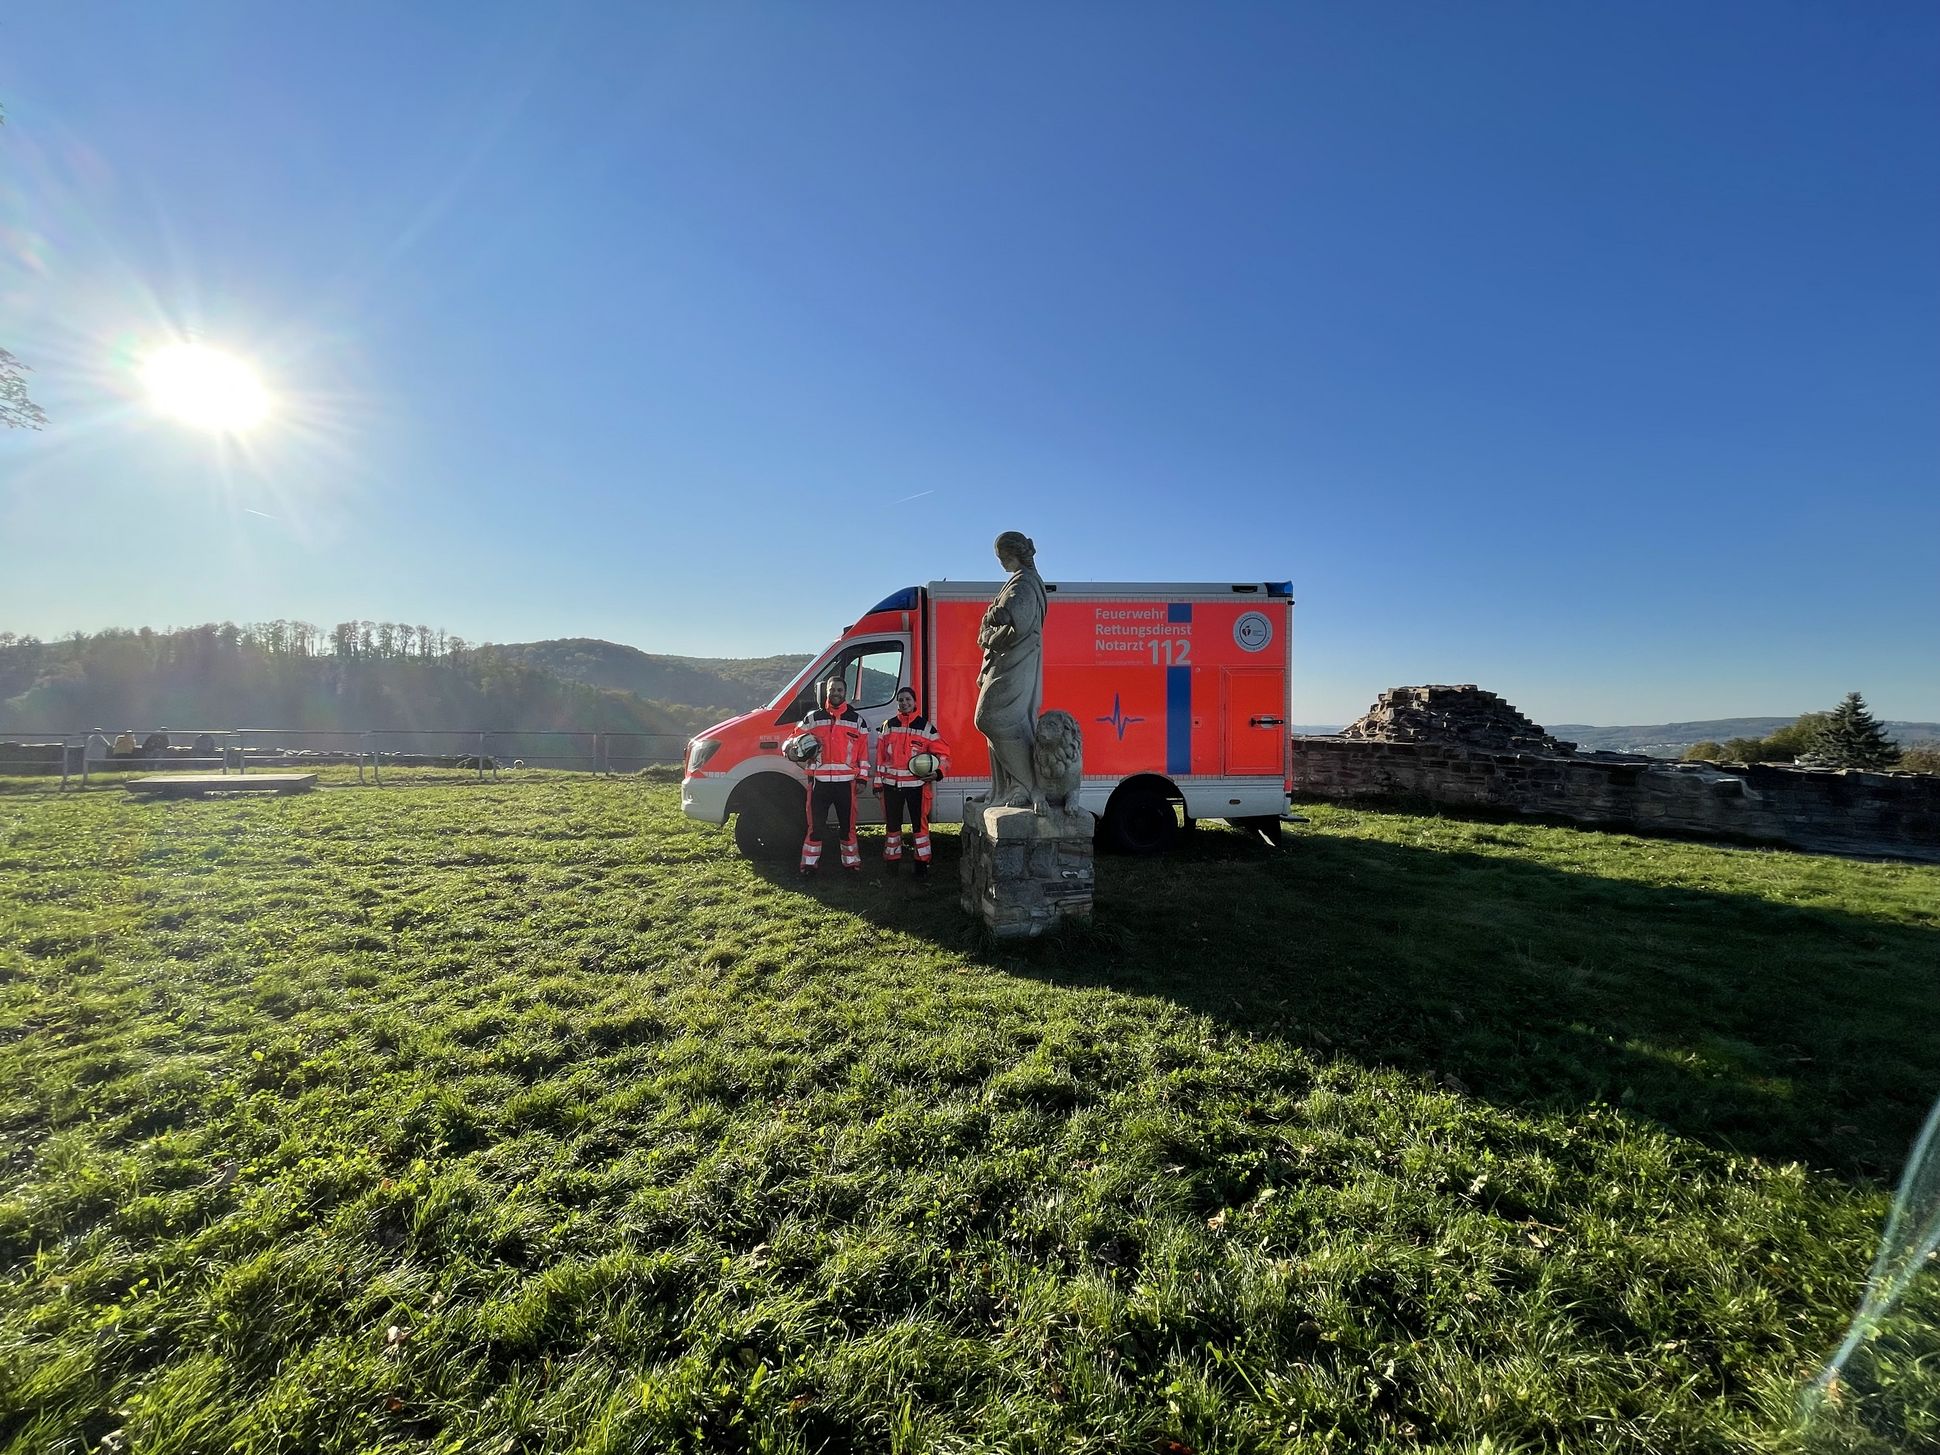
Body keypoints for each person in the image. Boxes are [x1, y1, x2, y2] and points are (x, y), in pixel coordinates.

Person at [973, 531, 1048, 807]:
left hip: (1015, 663)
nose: (1001, 563)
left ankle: (1027, 787)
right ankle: (1003, 788)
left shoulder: (1025, 583)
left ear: (1011, 554)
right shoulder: (1019, 581)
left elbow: (1017, 620)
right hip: (1006, 660)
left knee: (994, 719)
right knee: (998, 722)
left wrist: (994, 617)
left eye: (1001, 557)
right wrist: (991, 624)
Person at [788, 676, 871, 876]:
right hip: (819, 784)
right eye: (832, 689)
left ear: (845, 693)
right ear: (827, 692)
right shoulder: (813, 718)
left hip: (846, 785)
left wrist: (862, 779)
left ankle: (851, 864)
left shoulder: (857, 721)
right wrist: (794, 754)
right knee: (815, 827)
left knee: (848, 828)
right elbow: (793, 742)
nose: (836, 693)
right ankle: (809, 865)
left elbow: (863, 754)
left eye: (840, 690)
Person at [875, 686, 950, 877]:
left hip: (917, 787)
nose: (904, 703)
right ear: (897, 702)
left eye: (908, 699)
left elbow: (944, 754)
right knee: (892, 827)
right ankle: (892, 864)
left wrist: (938, 772)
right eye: (901, 700)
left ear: (915, 702)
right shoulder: (888, 725)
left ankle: (921, 865)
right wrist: (878, 784)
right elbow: (880, 758)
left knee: (920, 828)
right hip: (891, 787)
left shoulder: (926, 728)